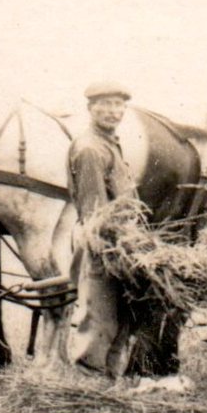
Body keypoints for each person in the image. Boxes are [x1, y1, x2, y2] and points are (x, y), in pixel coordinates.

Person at [65, 80, 140, 378]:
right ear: (90, 108)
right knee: (99, 316)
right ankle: (88, 384)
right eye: (105, 105)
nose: (113, 111)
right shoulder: (90, 149)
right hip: (104, 244)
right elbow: (96, 212)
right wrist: (113, 247)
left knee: (118, 314)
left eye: (118, 105)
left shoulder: (109, 142)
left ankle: (108, 380)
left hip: (120, 240)